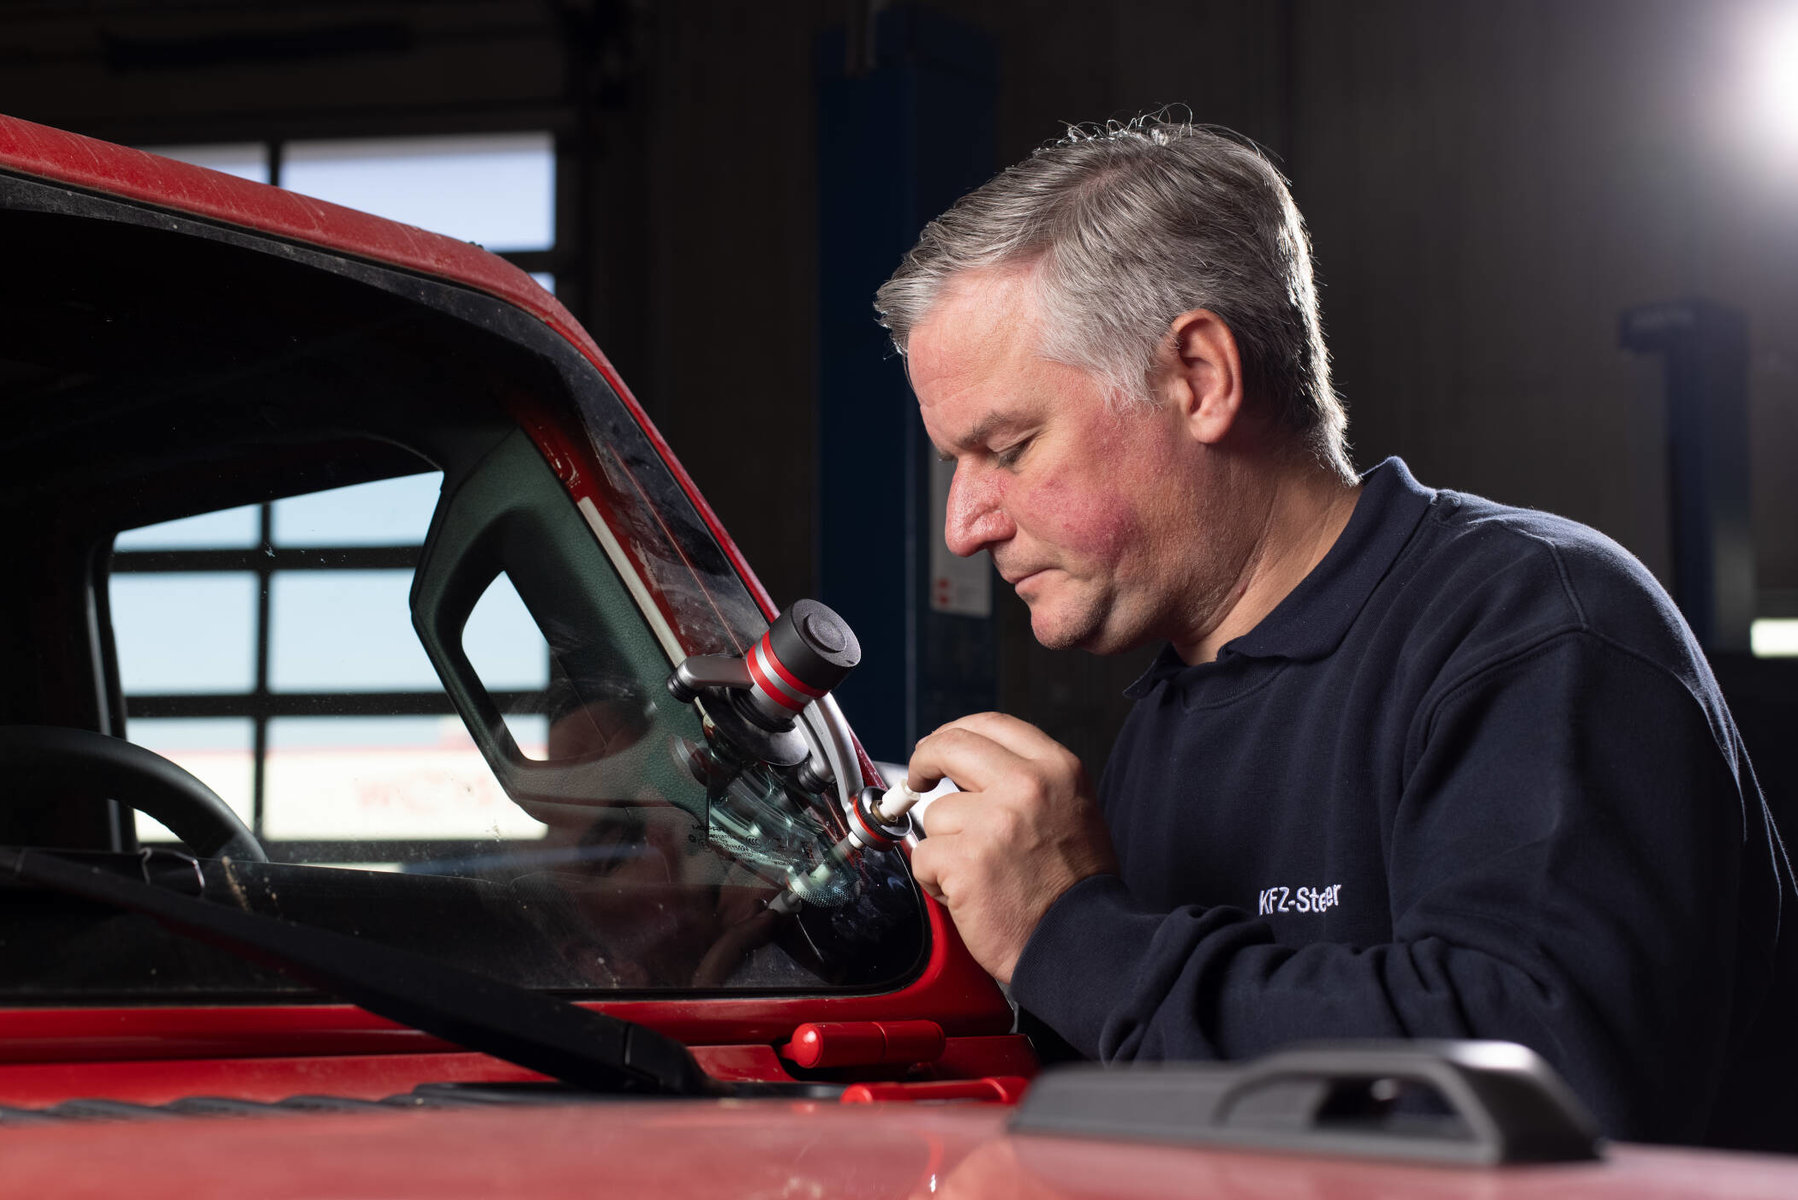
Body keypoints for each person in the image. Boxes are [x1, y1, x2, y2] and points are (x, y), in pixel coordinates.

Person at [872, 115, 1795, 1148]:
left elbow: (1540, 1085)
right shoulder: (1172, 719)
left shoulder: (1535, 624)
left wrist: (1068, 932)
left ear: (1199, 379)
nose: (964, 524)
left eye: (1008, 445)